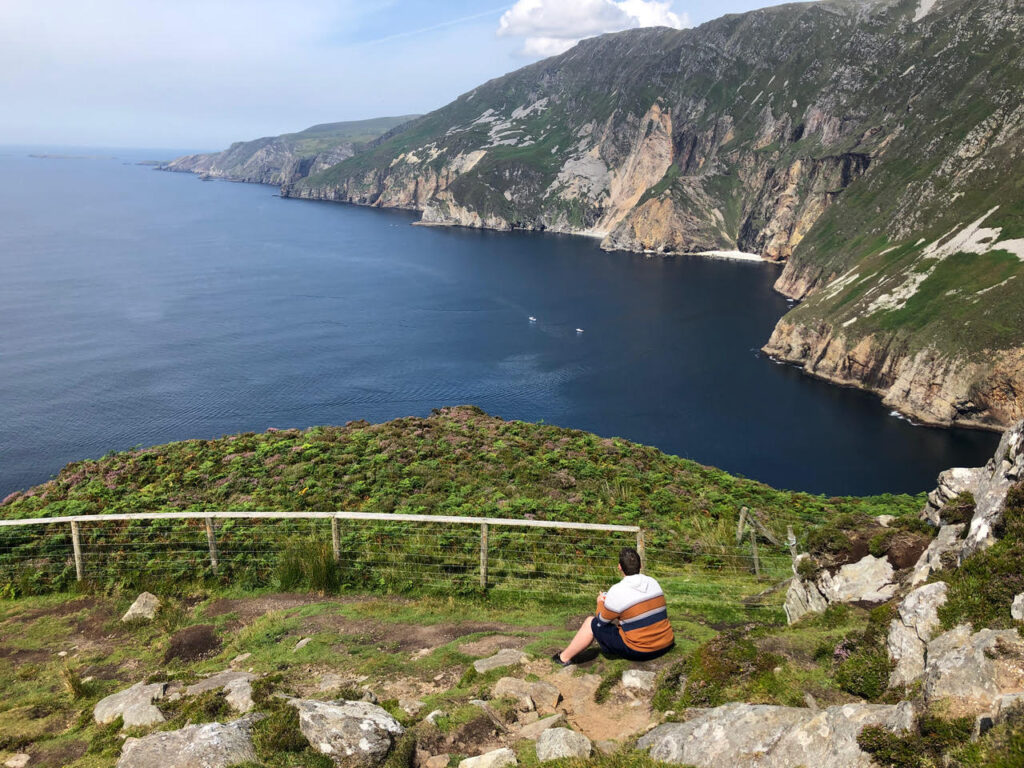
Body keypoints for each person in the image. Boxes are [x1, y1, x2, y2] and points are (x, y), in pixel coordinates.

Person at [552, 546, 674, 665]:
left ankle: (563, 658)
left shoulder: (617, 590)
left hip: (640, 651)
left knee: (591, 623)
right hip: (666, 643)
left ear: (619, 567)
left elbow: (601, 620)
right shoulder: (653, 582)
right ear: (640, 565)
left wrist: (600, 602)